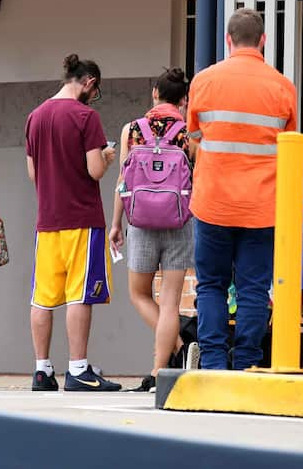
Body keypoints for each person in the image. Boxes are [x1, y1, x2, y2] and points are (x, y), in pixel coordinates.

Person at [186, 8, 297, 371]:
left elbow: (195, 138)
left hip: (213, 203)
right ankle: (248, 362)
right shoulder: (283, 87)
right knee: (253, 289)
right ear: (263, 41)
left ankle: (214, 362)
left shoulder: (203, 81)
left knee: (211, 285)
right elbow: (288, 146)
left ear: (228, 40)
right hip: (261, 206)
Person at [25, 54, 121, 392]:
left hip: (47, 221)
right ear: (90, 82)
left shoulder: (35, 117)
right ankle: (78, 369)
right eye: (96, 92)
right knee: (79, 295)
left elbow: (32, 173)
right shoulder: (85, 116)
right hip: (82, 219)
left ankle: (41, 370)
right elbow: (94, 170)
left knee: (43, 298)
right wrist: (107, 157)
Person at [109, 67, 194, 392]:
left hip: (140, 223)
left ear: (155, 94)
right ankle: (160, 370)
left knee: (140, 294)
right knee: (171, 302)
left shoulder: (132, 130)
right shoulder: (189, 133)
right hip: (179, 222)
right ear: (184, 100)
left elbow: (123, 182)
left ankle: (176, 349)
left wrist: (116, 223)